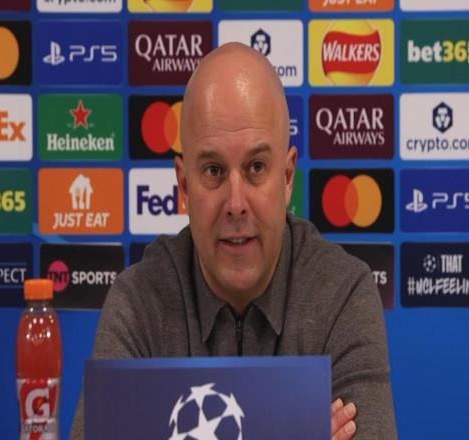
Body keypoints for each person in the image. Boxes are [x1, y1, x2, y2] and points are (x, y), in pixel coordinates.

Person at [71, 42, 396, 439]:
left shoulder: (343, 293)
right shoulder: (139, 300)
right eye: (214, 170)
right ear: (184, 186)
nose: (236, 204)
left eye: (256, 167)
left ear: (287, 177)